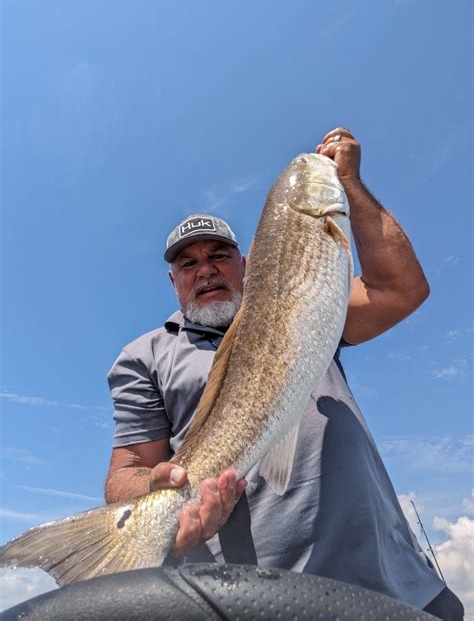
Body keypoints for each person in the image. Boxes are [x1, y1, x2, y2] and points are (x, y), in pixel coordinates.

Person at [106, 128, 464, 619]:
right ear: (173, 281)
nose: (205, 269)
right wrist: (159, 500)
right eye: (188, 264)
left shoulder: (304, 303)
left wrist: (349, 185)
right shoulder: (142, 355)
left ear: (247, 263)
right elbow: (126, 473)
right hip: (244, 598)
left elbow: (401, 290)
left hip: (389, 579)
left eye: (218, 255)